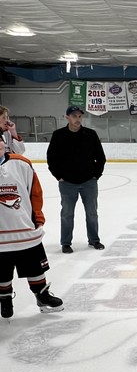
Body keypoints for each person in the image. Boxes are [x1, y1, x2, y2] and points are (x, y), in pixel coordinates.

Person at [0, 136, 63, 318]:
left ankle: (42, 295)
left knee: (35, 267)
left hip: (25, 230)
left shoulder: (22, 164)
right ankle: (5, 298)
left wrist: (38, 218)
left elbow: (35, 193)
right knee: (2, 271)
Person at [46, 106, 107, 253]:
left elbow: (100, 157)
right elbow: (52, 158)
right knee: (67, 214)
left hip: (88, 182)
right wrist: (58, 176)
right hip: (67, 183)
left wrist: (96, 175)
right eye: (74, 116)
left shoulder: (90, 134)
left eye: (79, 116)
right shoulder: (58, 135)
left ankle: (94, 240)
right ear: (67, 117)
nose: (77, 119)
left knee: (92, 212)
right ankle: (66, 243)